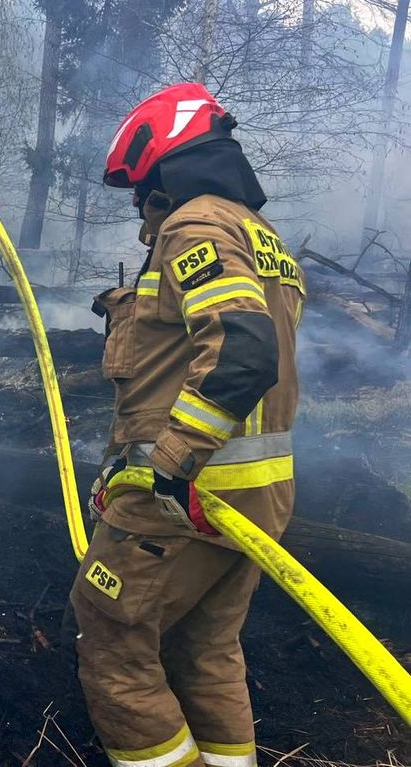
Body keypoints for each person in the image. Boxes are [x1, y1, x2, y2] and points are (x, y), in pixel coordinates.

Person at [72, 83, 304, 766]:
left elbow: (241, 348)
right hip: (256, 495)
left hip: (183, 499)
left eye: (142, 185)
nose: (141, 204)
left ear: (165, 162)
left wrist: (167, 462)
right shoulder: (261, 237)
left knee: (111, 637)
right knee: (205, 649)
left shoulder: (196, 225)